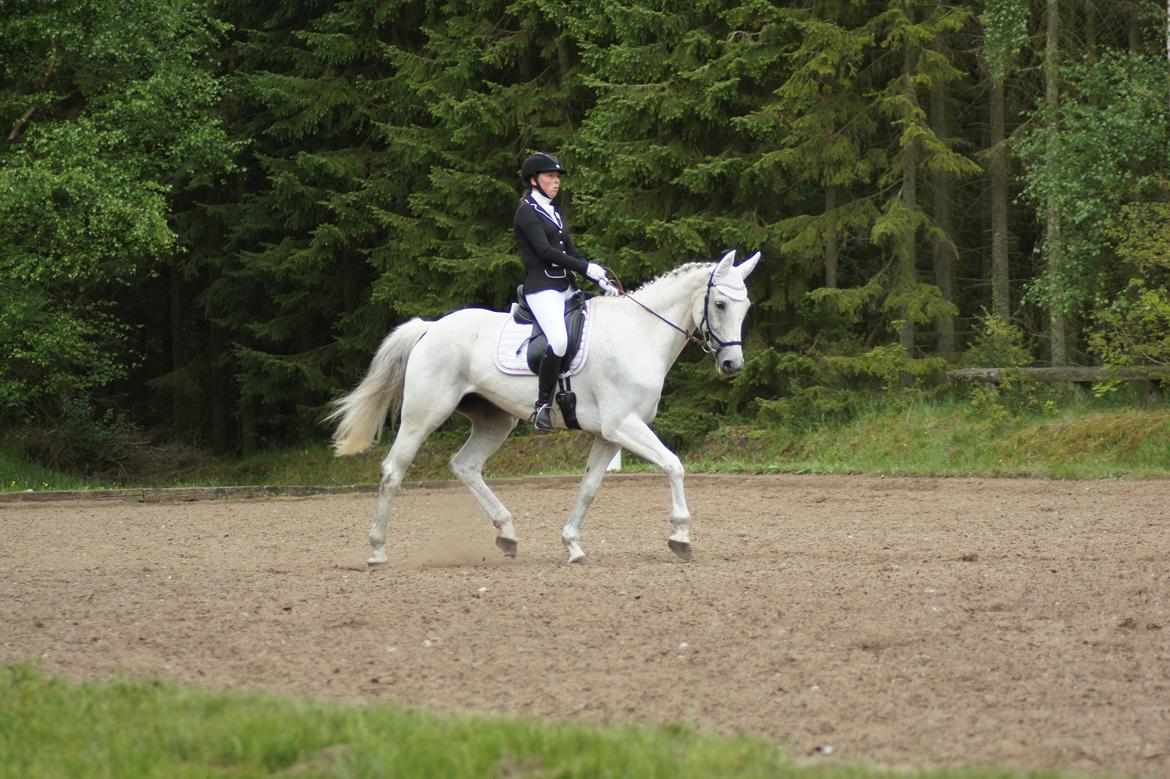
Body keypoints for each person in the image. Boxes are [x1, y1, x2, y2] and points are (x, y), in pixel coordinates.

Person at [514, 151, 619, 430]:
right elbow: (545, 251)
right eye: (550, 176)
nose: (556, 181)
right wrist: (584, 268)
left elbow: (568, 250)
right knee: (559, 341)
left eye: (557, 176)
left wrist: (598, 277)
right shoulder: (526, 212)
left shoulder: (553, 211)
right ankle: (542, 406)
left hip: (564, 287)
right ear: (534, 180)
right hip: (541, 289)